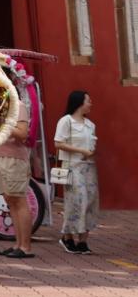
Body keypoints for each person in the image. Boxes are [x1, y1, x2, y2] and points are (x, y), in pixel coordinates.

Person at [55, 90, 99, 254]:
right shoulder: (66, 121)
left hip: (89, 167)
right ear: (79, 102)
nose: (90, 103)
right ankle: (67, 237)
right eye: (88, 100)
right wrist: (81, 150)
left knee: (90, 202)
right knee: (77, 201)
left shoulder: (90, 125)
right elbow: (58, 143)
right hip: (73, 166)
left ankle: (83, 241)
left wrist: (91, 152)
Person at [0, 91, 34, 258]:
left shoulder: (18, 106)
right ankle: (17, 243)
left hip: (14, 159)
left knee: (19, 200)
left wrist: (4, 124)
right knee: (10, 200)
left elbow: (23, 133)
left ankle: (25, 246)